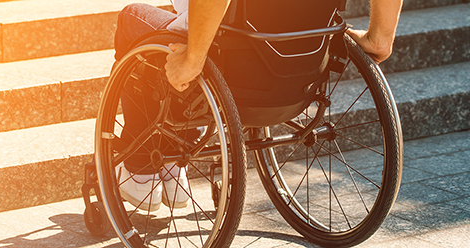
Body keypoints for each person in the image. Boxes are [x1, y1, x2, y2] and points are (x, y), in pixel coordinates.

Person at [113, 0, 404, 211]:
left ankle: (141, 169)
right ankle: (172, 168)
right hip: (299, 68)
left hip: (232, 55)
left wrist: (193, 59)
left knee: (131, 18)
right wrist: (380, 38)